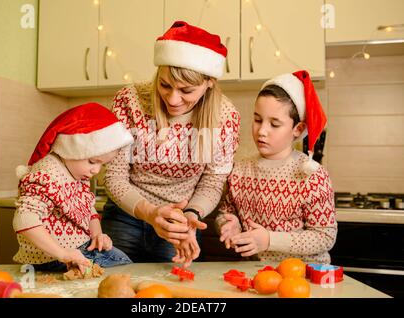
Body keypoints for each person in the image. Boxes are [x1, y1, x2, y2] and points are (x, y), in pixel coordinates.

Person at [102, 21, 241, 266]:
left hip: (180, 223)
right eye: (165, 85)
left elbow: (212, 182)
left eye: (186, 90)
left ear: (209, 83)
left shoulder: (226, 117)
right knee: (113, 287)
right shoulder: (130, 100)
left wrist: (190, 216)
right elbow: (114, 176)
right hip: (125, 216)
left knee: (170, 290)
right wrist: (150, 213)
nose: (173, 99)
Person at [216, 70, 337, 264]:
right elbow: (226, 212)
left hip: (304, 277)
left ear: (297, 129)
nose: (262, 131)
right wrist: (228, 223)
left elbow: (325, 237)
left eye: (274, 124)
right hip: (258, 274)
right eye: (257, 120)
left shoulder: (312, 176)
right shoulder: (239, 170)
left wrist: (270, 240)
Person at [12, 103, 134, 273]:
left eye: (102, 165)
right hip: (53, 257)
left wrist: (97, 235)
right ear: (71, 149)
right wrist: (63, 254)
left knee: (122, 264)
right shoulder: (48, 173)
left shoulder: (76, 171)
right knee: (123, 268)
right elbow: (24, 219)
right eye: (92, 161)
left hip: (78, 248)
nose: (96, 170)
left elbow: (88, 209)